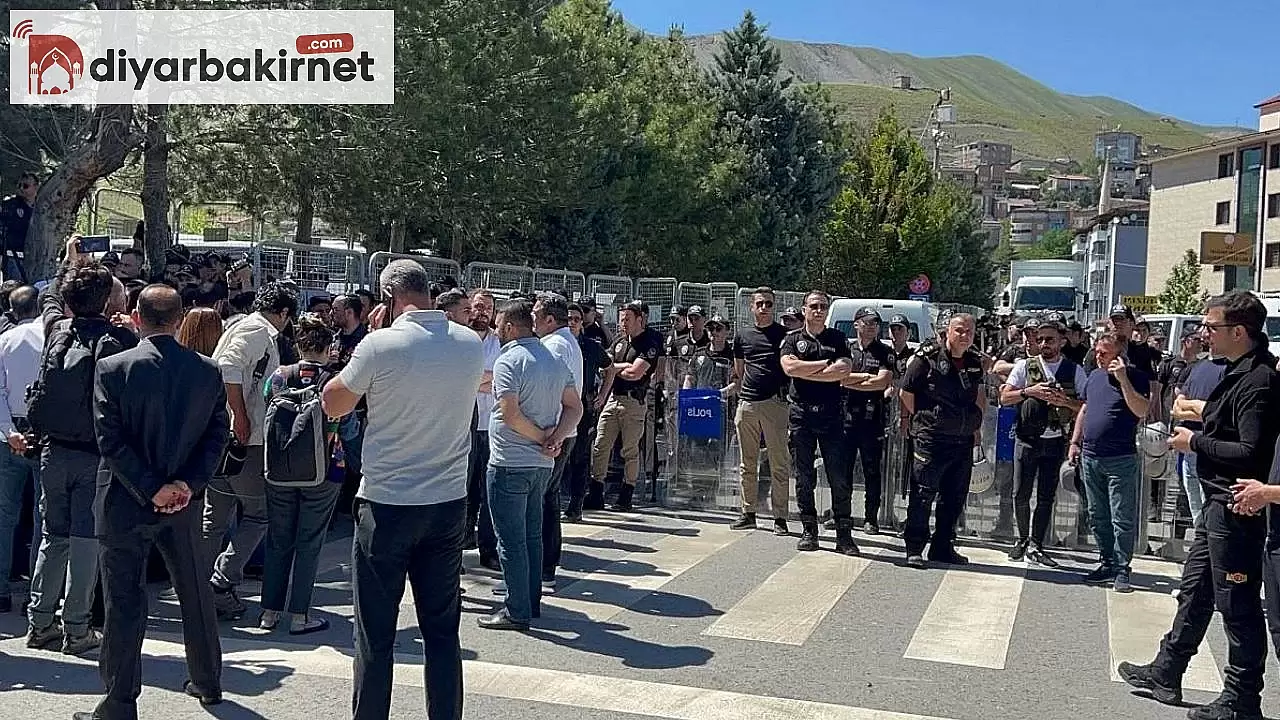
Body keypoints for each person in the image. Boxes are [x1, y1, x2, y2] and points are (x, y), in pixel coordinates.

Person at [321, 260, 482, 720]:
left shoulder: (380, 344)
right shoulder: (470, 343)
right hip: (447, 501)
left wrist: (366, 347)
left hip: (388, 501)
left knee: (375, 631)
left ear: (389, 298)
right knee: (442, 629)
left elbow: (334, 402)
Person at [1119, 290, 1280, 720]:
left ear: (1239, 332)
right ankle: (1166, 670)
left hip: (1237, 506)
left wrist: (1194, 443)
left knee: (1238, 604)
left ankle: (1242, 699)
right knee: (1195, 592)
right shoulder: (1238, 371)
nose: (1203, 333)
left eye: (1212, 327)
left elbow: (1250, 450)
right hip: (1216, 503)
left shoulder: (1259, 379)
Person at [73, 285, 228, 720]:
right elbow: (218, 434)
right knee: (195, 592)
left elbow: (110, 439)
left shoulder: (113, 368)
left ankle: (120, 702)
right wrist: (187, 484)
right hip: (182, 501)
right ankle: (208, 681)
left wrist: (152, 487)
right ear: (179, 321)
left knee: (125, 601)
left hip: (126, 499)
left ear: (137, 318)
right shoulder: (206, 370)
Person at [480, 299, 580, 630]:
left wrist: (541, 438)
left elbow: (509, 414)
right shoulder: (552, 358)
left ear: (509, 327)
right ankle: (530, 601)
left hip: (511, 460)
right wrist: (556, 438)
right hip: (541, 464)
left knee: (510, 539)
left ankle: (516, 610)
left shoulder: (511, 360)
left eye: (498, 325)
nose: (496, 330)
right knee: (532, 535)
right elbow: (574, 407)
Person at [204, 281, 298, 620]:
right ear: (284, 312)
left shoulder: (241, 326)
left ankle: (198, 585)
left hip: (222, 437)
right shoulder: (258, 331)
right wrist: (240, 417)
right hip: (245, 439)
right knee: (258, 515)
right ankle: (219, 582)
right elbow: (227, 367)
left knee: (214, 517)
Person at [900, 313, 986, 567]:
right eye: (959, 330)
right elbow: (906, 392)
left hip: (961, 441)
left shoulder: (973, 361)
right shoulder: (927, 358)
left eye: (969, 331)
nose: (965, 335)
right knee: (923, 494)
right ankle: (914, 546)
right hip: (932, 439)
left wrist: (975, 423)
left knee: (954, 497)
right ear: (947, 331)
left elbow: (978, 393)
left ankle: (942, 546)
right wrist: (928, 419)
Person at [999, 318, 1086, 567]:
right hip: (1027, 439)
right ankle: (1021, 539)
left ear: (1062, 341)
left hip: (1055, 439)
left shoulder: (1074, 370)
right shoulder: (1025, 367)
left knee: (1046, 496)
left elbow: (1086, 405)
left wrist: (1064, 402)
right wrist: (1030, 391)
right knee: (1020, 493)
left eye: (1050, 339)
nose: (1044, 343)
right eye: (1041, 339)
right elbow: (1005, 397)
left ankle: (1037, 543)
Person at [1068, 333, 1150, 592]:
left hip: (1120, 458)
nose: (1098, 355)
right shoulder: (1093, 376)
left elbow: (1141, 410)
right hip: (1091, 456)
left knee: (1121, 516)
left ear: (1119, 353)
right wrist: (1075, 441)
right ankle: (1106, 560)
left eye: (1104, 352)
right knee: (1096, 514)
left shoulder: (1136, 376)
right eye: (1097, 351)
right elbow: (1085, 408)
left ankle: (1122, 567)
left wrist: (1123, 378)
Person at [780, 291, 855, 553]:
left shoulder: (838, 338)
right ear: (804, 309)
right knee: (803, 475)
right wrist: (824, 365)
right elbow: (790, 369)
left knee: (838, 475)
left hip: (831, 414)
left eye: (823, 306)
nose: (819, 310)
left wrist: (807, 370)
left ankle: (844, 535)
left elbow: (843, 370)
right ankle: (809, 530)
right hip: (801, 415)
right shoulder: (792, 339)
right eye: (814, 306)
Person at [588, 299, 663, 512]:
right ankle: (596, 491)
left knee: (630, 450)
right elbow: (605, 367)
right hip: (614, 397)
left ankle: (626, 493)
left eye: (628, 319)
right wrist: (616, 369)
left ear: (640, 319)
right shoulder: (620, 341)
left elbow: (635, 373)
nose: (624, 323)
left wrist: (614, 368)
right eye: (621, 319)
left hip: (633, 401)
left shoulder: (650, 342)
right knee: (601, 445)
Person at [729, 287, 792, 534]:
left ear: (773, 307)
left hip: (775, 405)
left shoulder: (784, 335)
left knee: (779, 463)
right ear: (751, 307)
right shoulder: (742, 336)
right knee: (747, 463)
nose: (764, 308)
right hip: (747, 404)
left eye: (768, 303)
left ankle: (780, 517)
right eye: (759, 304)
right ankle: (748, 513)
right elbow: (740, 370)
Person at [532, 292, 583, 591]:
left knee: (541, 502)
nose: (533, 318)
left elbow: (551, 394)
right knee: (548, 500)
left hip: (554, 432)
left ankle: (542, 568)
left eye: (537, 313)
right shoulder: (564, 342)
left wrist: (554, 436)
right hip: (561, 431)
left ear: (550, 319)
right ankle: (546, 567)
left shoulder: (554, 346)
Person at [0, 286, 41, 614]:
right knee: (45, 517)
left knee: (4, 515)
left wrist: (8, 431)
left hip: (8, 432)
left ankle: (0, 589)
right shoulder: (53, 338)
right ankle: (38, 594)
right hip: (45, 434)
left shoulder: (5, 340)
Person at [840, 307, 895, 533]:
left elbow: (882, 382)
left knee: (872, 471)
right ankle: (841, 514)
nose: (872, 326)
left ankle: (870, 518)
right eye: (867, 322)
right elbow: (837, 380)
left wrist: (850, 380)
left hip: (872, 420)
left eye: (875, 323)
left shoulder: (884, 352)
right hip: (845, 418)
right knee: (843, 471)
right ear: (856, 324)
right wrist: (864, 378)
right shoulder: (845, 350)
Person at [562, 302, 612, 522]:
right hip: (558, 407)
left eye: (576, 319)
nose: (572, 323)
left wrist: (603, 395)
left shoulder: (590, 346)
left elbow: (610, 368)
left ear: (582, 323)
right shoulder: (555, 344)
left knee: (580, 457)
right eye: (568, 319)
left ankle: (576, 505)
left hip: (583, 407)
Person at [1171, 329, 1224, 530]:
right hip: (1187, 448)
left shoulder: (1229, 369)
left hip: (1208, 447)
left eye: (1210, 329)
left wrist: (1193, 408)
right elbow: (1177, 406)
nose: (1204, 335)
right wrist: (1198, 408)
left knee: (1209, 511)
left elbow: (1221, 414)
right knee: (1197, 513)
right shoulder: (1198, 367)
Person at [465, 289, 502, 570]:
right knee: (461, 489)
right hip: (462, 425)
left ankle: (488, 548)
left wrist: (470, 380)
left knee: (488, 491)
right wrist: (482, 380)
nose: (482, 312)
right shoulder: (460, 339)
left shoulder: (498, 343)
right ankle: (461, 541)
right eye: (478, 306)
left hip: (489, 426)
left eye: (488, 308)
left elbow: (499, 379)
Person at [0, 173, 38, 282]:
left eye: (25, 186)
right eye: (19, 185)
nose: (21, 188)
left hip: (36, 256)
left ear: (35, 186)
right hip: (14, 257)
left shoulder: (42, 206)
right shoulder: (10, 205)